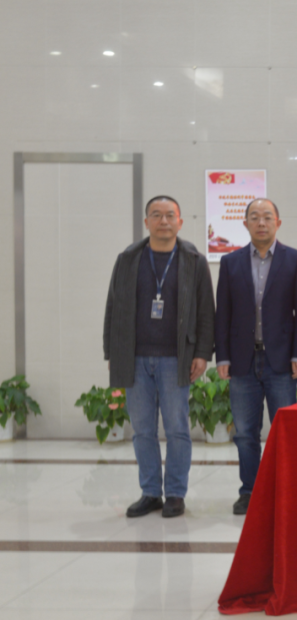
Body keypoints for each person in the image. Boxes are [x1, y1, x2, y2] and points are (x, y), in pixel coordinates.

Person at [104, 195, 214, 519]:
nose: (163, 221)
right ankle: (150, 492)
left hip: (176, 359)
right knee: (142, 430)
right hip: (135, 358)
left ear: (180, 222)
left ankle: (176, 494)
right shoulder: (128, 259)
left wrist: (202, 353)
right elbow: (112, 307)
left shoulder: (194, 260)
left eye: (169, 215)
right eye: (156, 215)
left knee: (178, 429)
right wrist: (112, 351)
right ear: (146, 222)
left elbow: (206, 311)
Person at [215, 199, 297, 515]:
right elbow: (223, 313)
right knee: (245, 433)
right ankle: (250, 491)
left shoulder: (295, 260)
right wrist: (222, 357)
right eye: (254, 217)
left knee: (285, 431)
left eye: (267, 217)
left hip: (281, 361)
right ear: (245, 224)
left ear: (277, 223)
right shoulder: (230, 263)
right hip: (242, 360)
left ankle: (286, 490)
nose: (261, 223)